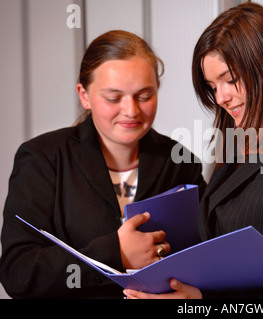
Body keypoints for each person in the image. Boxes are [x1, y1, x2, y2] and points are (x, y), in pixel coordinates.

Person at [123, 2, 263, 299]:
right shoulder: (239, 148)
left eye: (230, 80)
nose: (221, 98)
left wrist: (200, 303)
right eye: (213, 86)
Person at [0, 30, 205, 298]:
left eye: (144, 96)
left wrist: (195, 298)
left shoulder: (180, 160)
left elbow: (208, 254)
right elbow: (18, 273)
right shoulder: (43, 158)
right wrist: (114, 253)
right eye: (113, 98)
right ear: (84, 95)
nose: (131, 110)